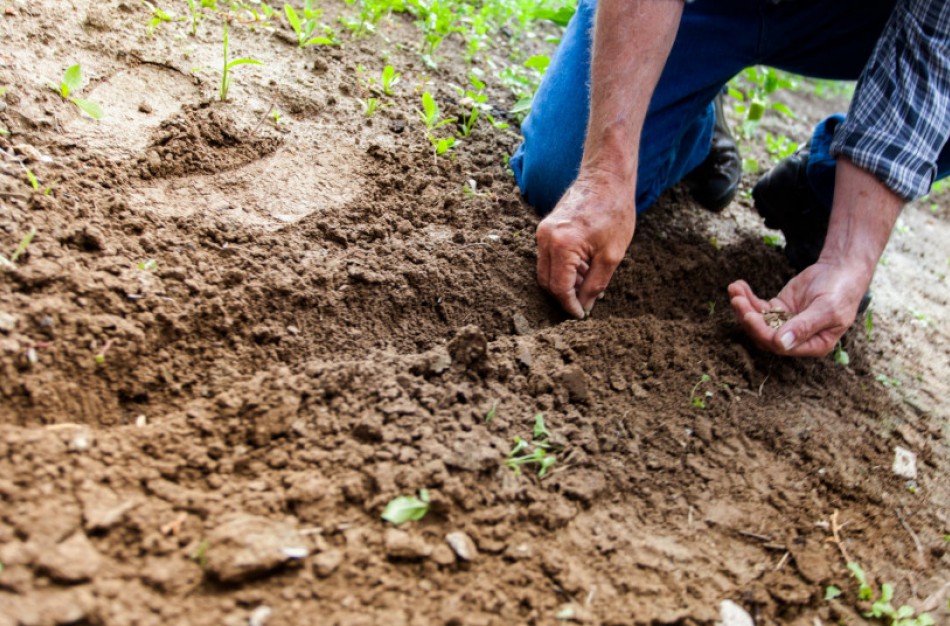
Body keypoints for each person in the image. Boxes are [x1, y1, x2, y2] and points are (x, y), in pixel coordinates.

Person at [510, 0, 950, 357]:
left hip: (855, 18)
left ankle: (824, 191)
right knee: (561, 174)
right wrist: (604, 174)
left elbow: (930, 61)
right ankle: (692, 115)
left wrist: (848, 259)